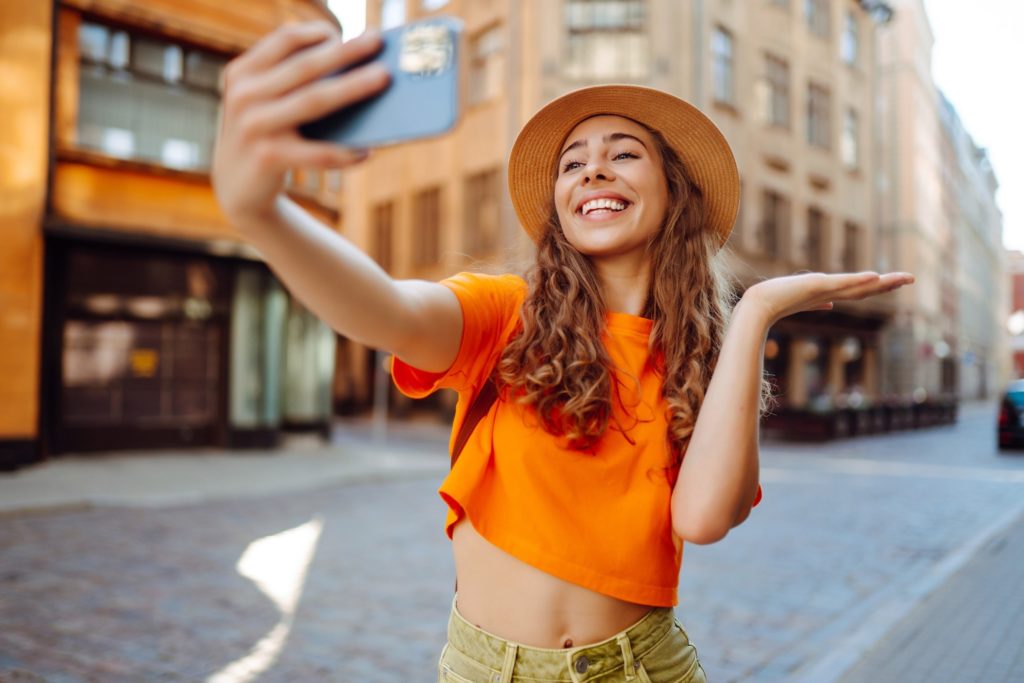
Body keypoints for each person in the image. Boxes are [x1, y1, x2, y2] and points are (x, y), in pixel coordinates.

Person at [212, 23, 914, 683]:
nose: (593, 171)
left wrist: (755, 311)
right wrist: (263, 214)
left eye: (624, 154)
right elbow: (388, 312)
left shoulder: (701, 362)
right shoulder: (507, 314)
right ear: (559, 206)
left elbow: (702, 519)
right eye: (573, 162)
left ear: (674, 193)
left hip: (641, 665)